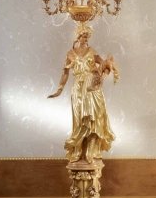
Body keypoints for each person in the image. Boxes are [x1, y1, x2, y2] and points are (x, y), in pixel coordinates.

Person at [48, 30, 118, 164]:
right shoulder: (70, 54)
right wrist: (59, 89)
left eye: (87, 37)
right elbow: (65, 73)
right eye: (84, 36)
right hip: (78, 89)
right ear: (78, 37)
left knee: (94, 119)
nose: (86, 39)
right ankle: (78, 150)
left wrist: (102, 77)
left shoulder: (92, 51)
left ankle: (90, 151)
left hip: (92, 87)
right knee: (80, 120)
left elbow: (106, 65)